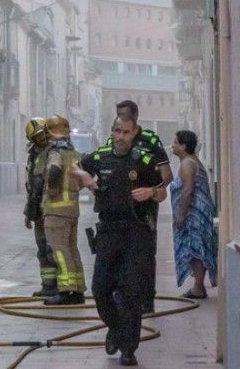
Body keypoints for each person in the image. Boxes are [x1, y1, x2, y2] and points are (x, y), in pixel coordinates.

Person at [72, 115, 167, 366]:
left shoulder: (144, 159)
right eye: (116, 131)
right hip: (108, 232)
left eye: (125, 132)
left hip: (137, 231)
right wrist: (85, 176)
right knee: (100, 289)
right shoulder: (101, 156)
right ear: (111, 131)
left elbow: (163, 191)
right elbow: (73, 166)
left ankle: (129, 348)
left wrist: (151, 192)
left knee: (131, 292)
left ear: (134, 132)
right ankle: (115, 328)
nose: (120, 136)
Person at [112, 99, 171, 314]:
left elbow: (166, 176)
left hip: (143, 211)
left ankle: (147, 298)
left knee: (145, 254)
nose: (123, 118)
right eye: (119, 114)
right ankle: (122, 296)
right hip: (117, 210)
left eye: (126, 114)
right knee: (117, 254)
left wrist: (152, 191)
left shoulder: (150, 140)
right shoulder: (115, 139)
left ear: (136, 116)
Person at [41, 114, 86, 306]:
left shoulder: (55, 153)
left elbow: (53, 171)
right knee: (71, 249)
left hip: (56, 210)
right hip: (71, 210)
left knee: (59, 250)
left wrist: (51, 192)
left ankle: (66, 290)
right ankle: (77, 290)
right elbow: (83, 178)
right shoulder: (74, 153)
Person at [171, 130, 218, 299]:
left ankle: (198, 286)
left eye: (175, 143)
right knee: (197, 248)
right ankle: (198, 285)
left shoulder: (187, 163)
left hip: (194, 214)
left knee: (196, 248)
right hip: (196, 212)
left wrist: (181, 215)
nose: (173, 146)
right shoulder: (190, 161)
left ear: (183, 146)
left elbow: (188, 189)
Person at [23, 117, 59, 298]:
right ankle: (48, 285)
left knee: (53, 249)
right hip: (37, 210)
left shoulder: (54, 152)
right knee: (42, 248)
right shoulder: (33, 156)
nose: (42, 138)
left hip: (50, 209)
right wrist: (28, 211)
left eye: (43, 134)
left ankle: (59, 287)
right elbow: (31, 185)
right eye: (37, 136)